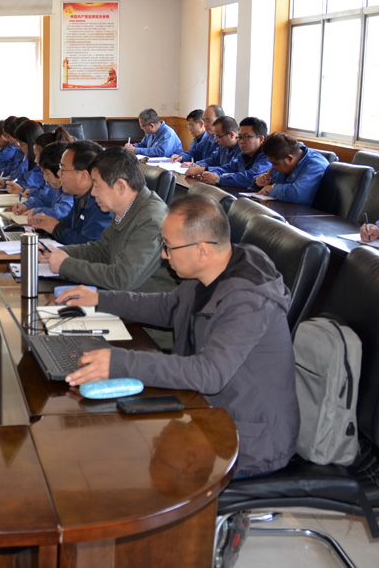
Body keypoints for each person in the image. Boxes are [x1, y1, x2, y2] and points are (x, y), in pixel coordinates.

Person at [58, 195, 299, 477]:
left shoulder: (248, 300)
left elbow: (209, 373)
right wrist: (100, 299)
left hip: (248, 437)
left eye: (169, 247)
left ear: (202, 251)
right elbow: (167, 307)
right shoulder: (206, 274)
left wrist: (118, 362)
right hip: (208, 410)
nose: (164, 255)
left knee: (125, 466)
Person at [39, 148, 175, 292]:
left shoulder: (150, 220)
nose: (93, 193)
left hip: (145, 302)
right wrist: (56, 252)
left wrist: (66, 265)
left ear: (121, 187)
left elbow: (122, 279)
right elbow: (103, 250)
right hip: (123, 297)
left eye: (97, 186)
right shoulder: (126, 208)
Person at [29, 140, 112, 245]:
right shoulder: (80, 197)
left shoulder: (102, 204)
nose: (59, 173)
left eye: (63, 169)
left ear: (83, 176)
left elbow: (86, 245)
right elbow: (67, 225)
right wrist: (44, 223)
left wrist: (54, 227)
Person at [189, 117, 271, 187]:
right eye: (240, 137)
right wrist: (207, 172)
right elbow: (228, 168)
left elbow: (250, 177)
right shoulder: (244, 155)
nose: (241, 141)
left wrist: (219, 179)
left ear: (261, 139)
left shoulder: (268, 156)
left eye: (246, 137)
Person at [254, 132, 330, 204]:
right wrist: (259, 183)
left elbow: (297, 194)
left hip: (303, 212)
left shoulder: (315, 165)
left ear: (290, 158)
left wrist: (272, 188)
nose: (272, 167)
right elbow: (266, 184)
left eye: (275, 164)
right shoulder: (282, 160)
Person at [13, 141, 74, 220]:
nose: (45, 177)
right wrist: (26, 205)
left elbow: (60, 213)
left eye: (47, 173)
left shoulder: (71, 190)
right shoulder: (54, 187)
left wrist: (35, 212)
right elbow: (44, 200)